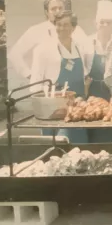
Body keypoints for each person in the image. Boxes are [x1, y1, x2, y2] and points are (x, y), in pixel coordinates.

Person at [30, 10, 91, 144]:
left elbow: (84, 76)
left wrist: (84, 92)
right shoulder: (43, 50)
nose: (61, 28)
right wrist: (47, 107)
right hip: (54, 112)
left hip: (77, 110)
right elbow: (35, 84)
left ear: (73, 28)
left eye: (65, 25)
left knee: (80, 149)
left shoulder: (79, 48)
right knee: (58, 149)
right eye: (58, 24)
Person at [9, 0, 87, 82]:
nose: (58, 11)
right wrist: (30, 75)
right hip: (49, 87)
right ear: (47, 12)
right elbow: (14, 54)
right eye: (53, 9)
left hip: (75, 83)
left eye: (60, 8)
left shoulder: (77, 29)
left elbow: (87, 53)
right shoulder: (36, 30)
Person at [86, 0, 112, 143]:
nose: (104, 25)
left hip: (111, 91)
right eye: (102, 22)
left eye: (108, 22)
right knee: (93, 126)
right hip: (92, 91)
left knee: (111, 129)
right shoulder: (87, 42)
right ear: (96, 23)